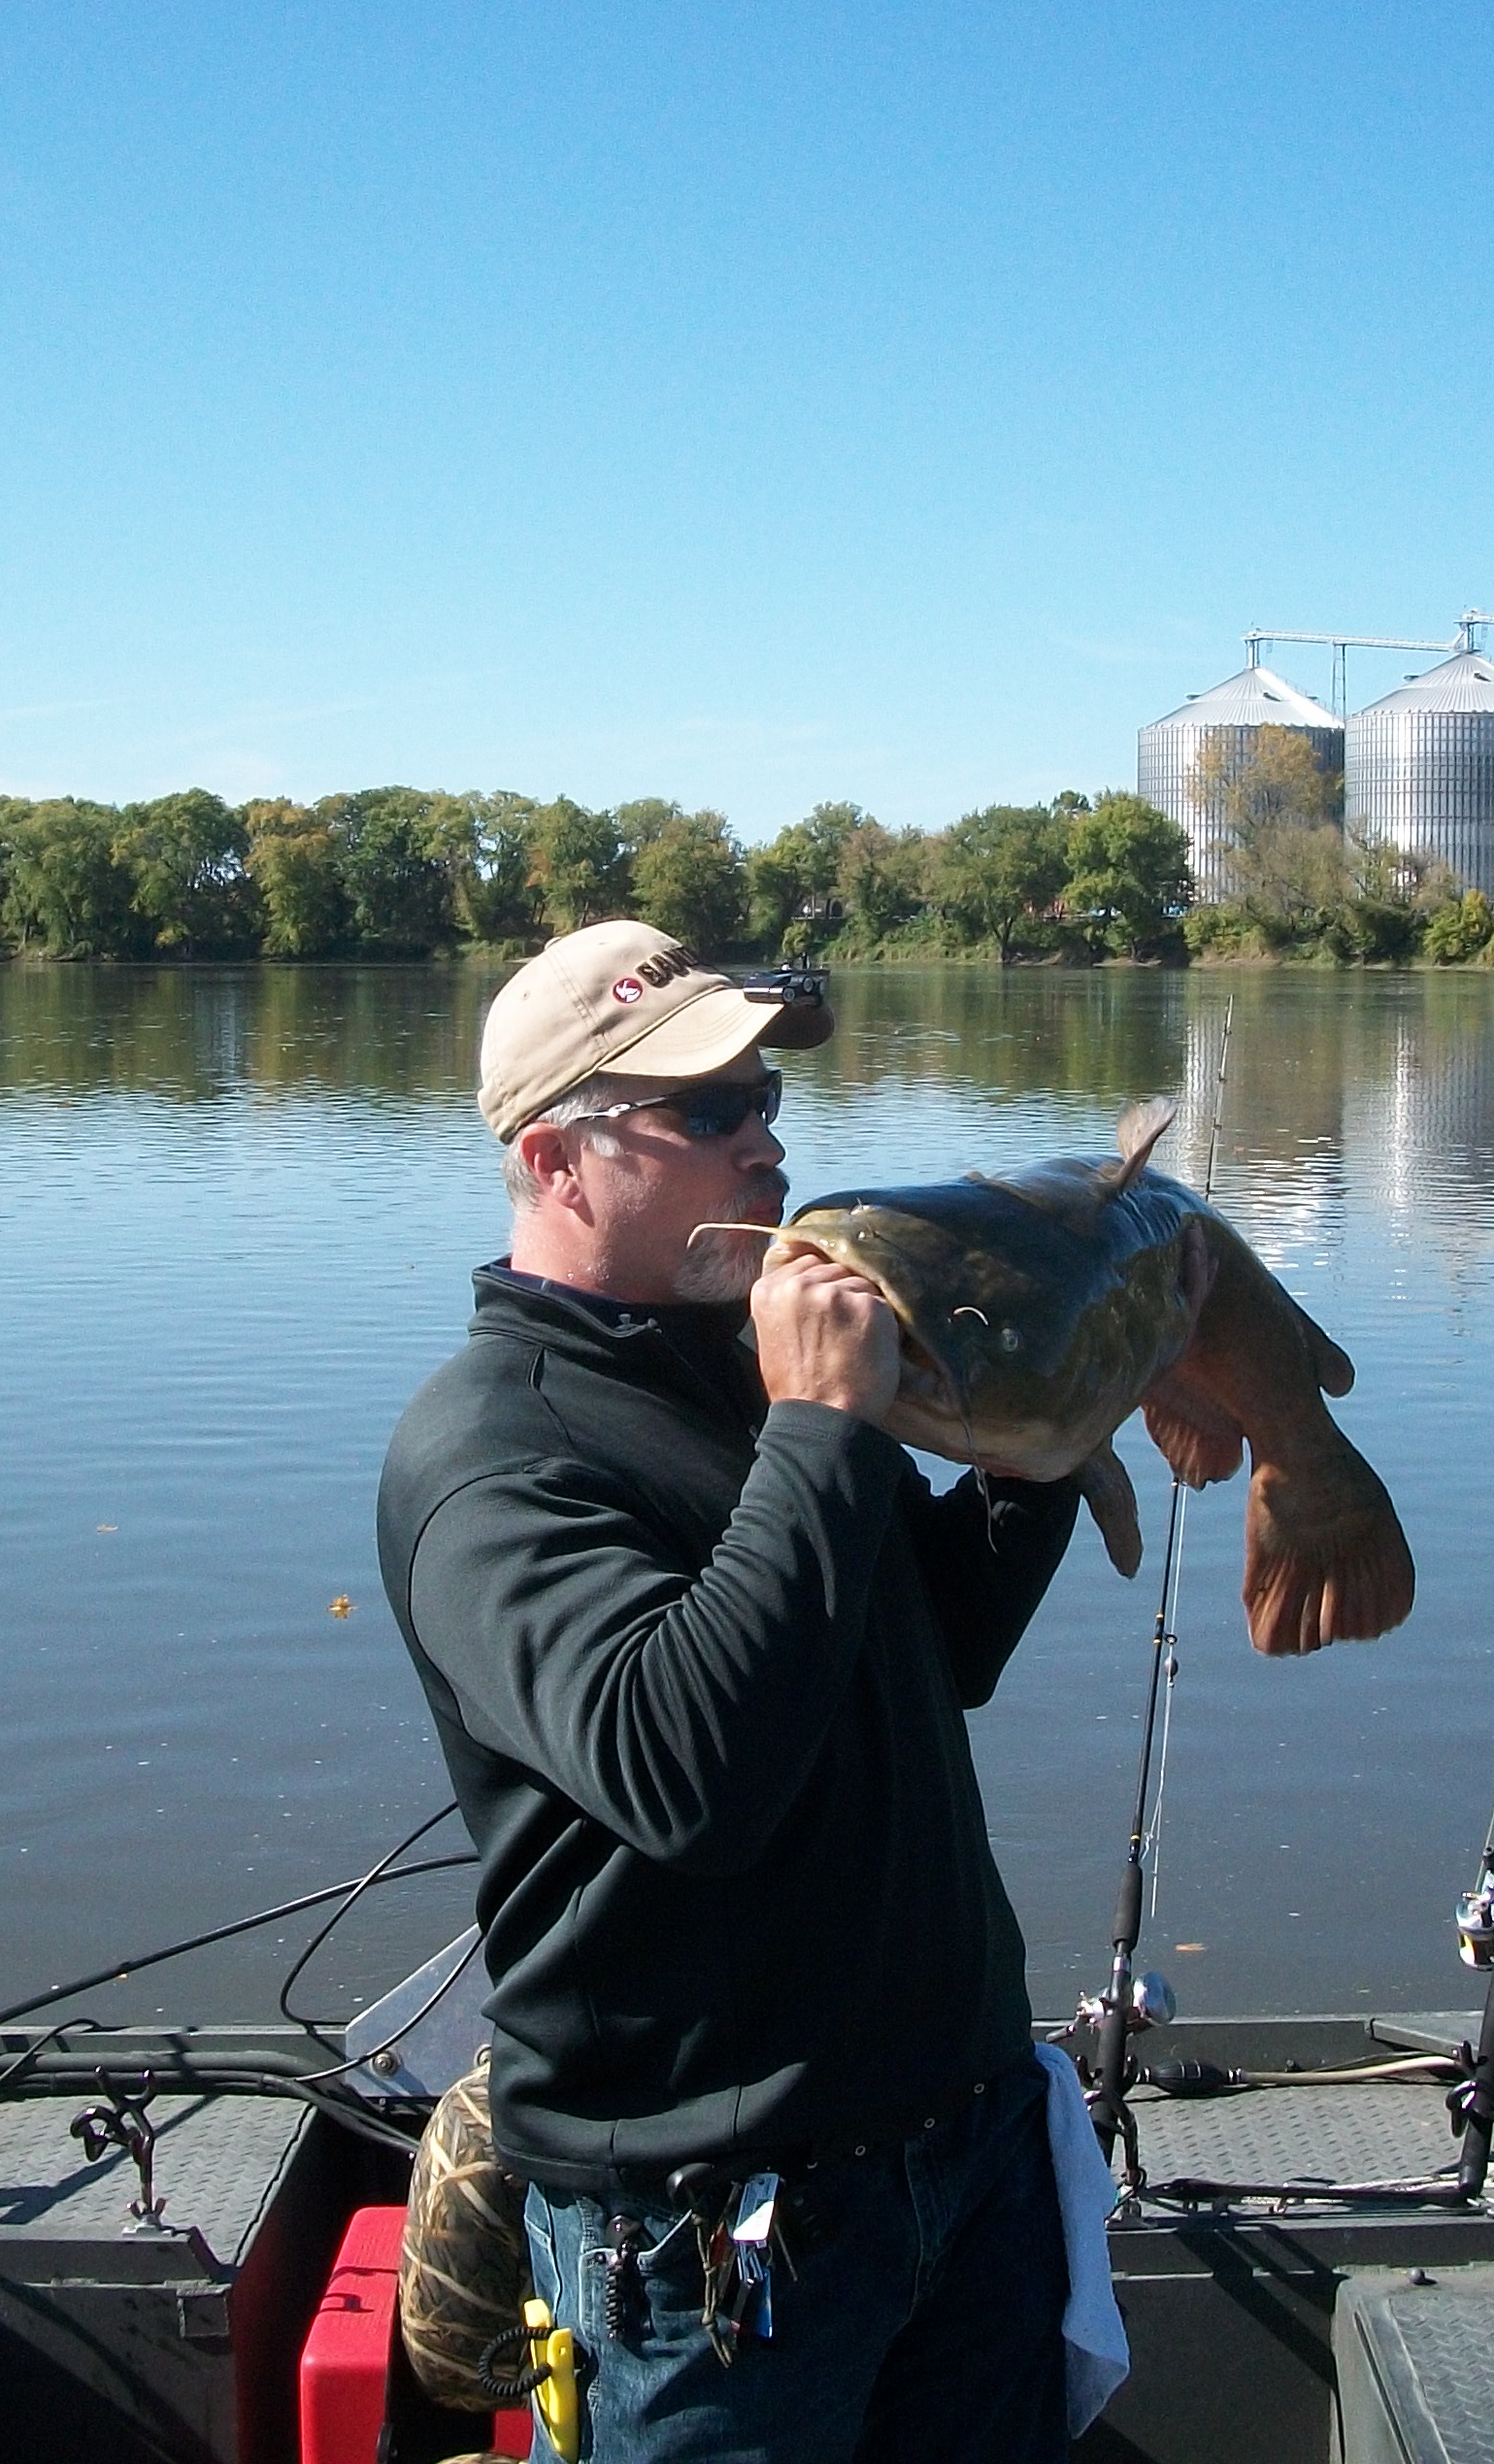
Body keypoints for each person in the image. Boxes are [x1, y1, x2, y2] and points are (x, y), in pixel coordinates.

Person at [377, 921, 1084, 2462]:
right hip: (713, 2240)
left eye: (762, 1098)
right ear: (557, 1163)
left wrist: (1047, 1431)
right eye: (706, 1111)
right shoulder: (493, 1456)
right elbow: (692, 1775)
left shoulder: (754, 1367)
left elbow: (944, 1645)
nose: (765, 1142)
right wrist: (825, 1428)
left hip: (966, 2152)